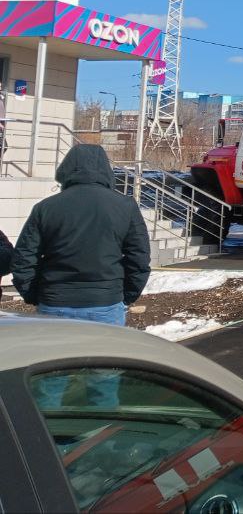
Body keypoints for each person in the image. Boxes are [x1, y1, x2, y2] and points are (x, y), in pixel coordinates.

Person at [12, 145, 151, 407]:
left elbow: (23, 261)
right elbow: (139, 260)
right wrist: (125, 297)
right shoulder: (124, 206)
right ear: (106, 171)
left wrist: (35, 295)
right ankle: (98, 439)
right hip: (105, 305)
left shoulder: (46, 207)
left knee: (49, 383)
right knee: (103, 382)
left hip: (54, 305)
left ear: (66, 170)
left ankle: (41, 443)